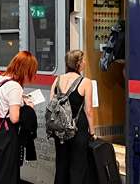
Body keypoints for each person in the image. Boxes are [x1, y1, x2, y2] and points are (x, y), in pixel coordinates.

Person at [0, 51, 37, 184]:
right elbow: (14, 117)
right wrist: (29, 108)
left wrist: (20, 97)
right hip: (7, 134)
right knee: (7, 174)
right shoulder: (15, 87)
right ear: (25, 69)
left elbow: (2, 100)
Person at [50, 50, 96, 184]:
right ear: (78, 64)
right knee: (78, 166)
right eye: (83, 60)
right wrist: (92, 132)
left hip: (60, 129)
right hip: (78, 128)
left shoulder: (57, 79)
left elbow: (51, 104)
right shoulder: (85, 82)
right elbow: (89, 111)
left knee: (61, 165)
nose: (85, 63)